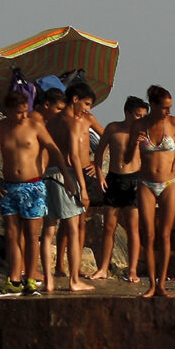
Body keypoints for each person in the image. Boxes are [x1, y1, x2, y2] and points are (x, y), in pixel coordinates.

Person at [0, 91, 75, 296]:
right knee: (11, 234)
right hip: (9, 187)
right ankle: (14, 279)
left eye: (25, 111)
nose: (23, 116)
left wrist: (67, 179)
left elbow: (53, 149)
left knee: (32, 235)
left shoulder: (35, 126)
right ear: (7, 111)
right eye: (18, 112)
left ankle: (30, 280)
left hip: (33, 187)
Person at [129, 85, 175, 298]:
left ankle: (161, 284)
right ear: (152, 105)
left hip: (169, 183)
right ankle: (151, 285)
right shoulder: (139, 125)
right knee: (149, 234)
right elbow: (127, 158)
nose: (168, 112)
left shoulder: (172, 123)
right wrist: (134, 145)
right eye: (164, 108)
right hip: (145, 183)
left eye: (170, 107)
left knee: (164, 234)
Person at [44, 83, 103, 292]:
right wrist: (83, 190)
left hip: (48, 175)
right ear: (75, 99)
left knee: (49, 228)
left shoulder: (51, 122)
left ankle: (49, 282)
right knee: (73, 228)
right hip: (67, 175)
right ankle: (74, 280)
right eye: (86, 104)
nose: (87, 109)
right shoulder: (72, 122)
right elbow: (75, 156)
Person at [91, 96, 149, 281]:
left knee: (133, 227)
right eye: (138, 115)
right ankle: (103, 268)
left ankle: (132, 270)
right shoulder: (113, 128)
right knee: (109, 226)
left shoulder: (143, 132)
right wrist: (100, 175)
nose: (141, 119)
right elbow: (99, 153)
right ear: (128, 113)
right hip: (114, 178)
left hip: (134, 179)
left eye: (143, 116)